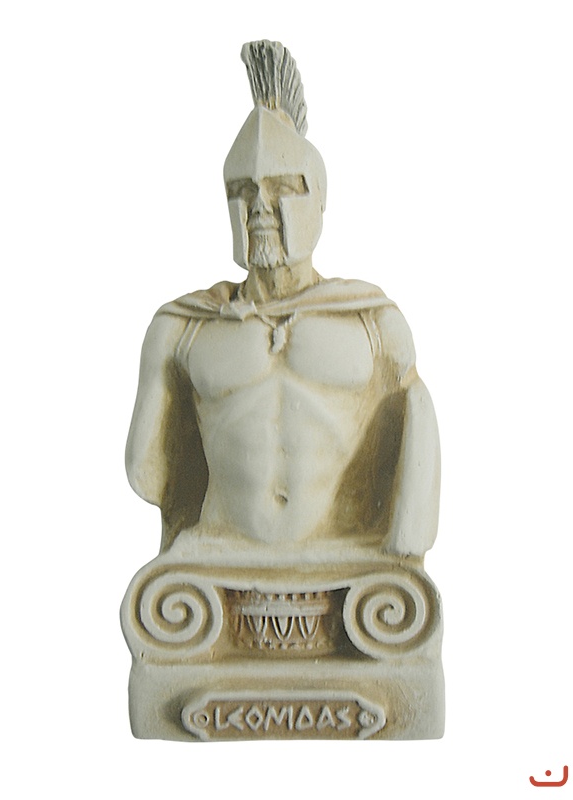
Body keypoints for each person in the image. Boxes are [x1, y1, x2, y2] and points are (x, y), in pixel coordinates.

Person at [125, 40, 440, 562]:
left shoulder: (372, 324)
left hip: (343, 556)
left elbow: (416, 423)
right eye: (243, 191)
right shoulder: (184, 328)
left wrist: (404, 541)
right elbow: (147, 471)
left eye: (281, 188)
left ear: (318, 199)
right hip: (216, 553)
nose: (259, 208)